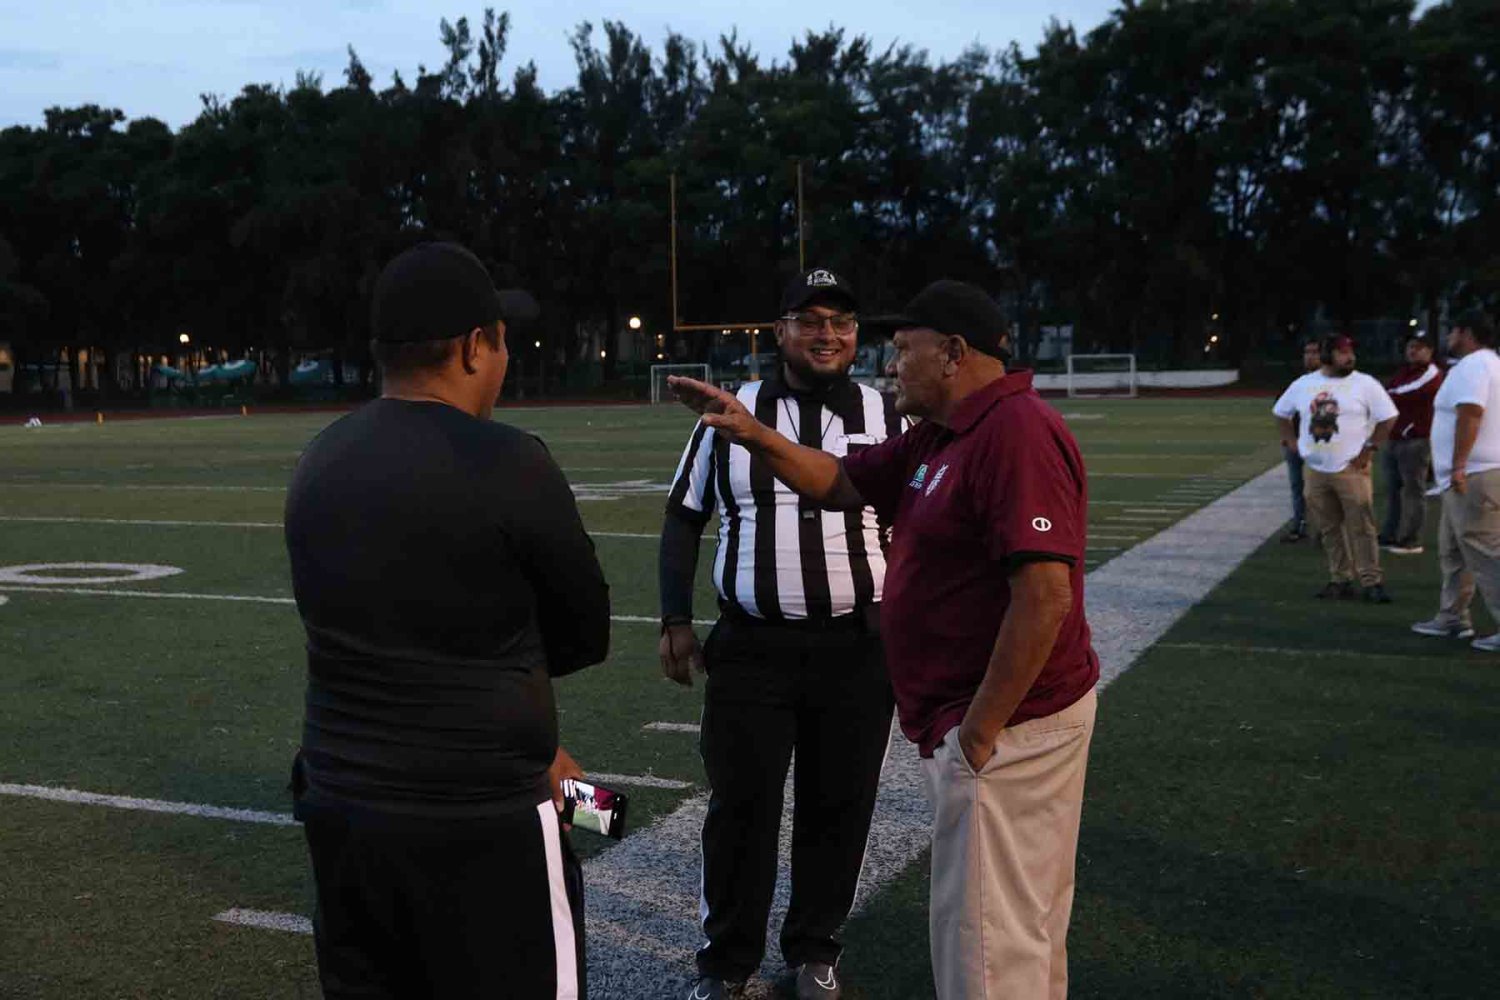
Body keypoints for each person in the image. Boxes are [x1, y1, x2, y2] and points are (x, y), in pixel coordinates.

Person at [669, 279, 1099, 1000]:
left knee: (988, 942)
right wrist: (753, 431)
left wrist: (979, 730)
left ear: (953, 353)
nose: (891, 364)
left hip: (1006, 725)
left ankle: (813, 949)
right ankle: (734, 955)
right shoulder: (942, 433)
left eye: (904, 349)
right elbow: (839, 482)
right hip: (934, 704)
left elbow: (1045, 597)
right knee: (1012, 929)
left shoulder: (1014, 432)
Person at [284, 242, 611, 999]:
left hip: (341, 808)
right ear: (472, 348)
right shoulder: (511, 458)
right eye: (501, 342)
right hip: (486, 815)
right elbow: (584, 634)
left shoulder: (318, 458)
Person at [661, 268, 899, 1000]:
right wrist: (674, 619)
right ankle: (726, 961)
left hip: (856, 648)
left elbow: (918, 517)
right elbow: (684, 515)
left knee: (841, 806)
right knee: (741, 810)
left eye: (842, 322)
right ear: (781, 331)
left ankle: (815, 949)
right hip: (752, 647)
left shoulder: (886, 413)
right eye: (811, 320)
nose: (828, 334)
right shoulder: (734, 410)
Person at [1273, 334, 1399, 603]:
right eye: (1342, 352)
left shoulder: (1365, 383)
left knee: (1362, 527)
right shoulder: (1304, 384)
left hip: (1351, 468)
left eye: (1350, 351)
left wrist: (1370, 448)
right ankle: (1340, 578)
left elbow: (1389, 417)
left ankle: (1371, 581)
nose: (1349, 357)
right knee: (1329, 528)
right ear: (1326, 355)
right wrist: (1291, 442)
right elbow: (1280, 412)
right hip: (1315, 468)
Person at [1411, 310, 1500, 650]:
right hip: (1471, 474)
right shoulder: (1490, 364)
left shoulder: (1474, 366)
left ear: (1466, 333)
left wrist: (1459, 464)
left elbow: (1470, 412)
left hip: (1474, 474)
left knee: (1485, 551)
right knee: (1453, 551)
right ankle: (1452, 616)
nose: (1448, 337)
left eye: (1453, 331)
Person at [1380, 332, 1443, 554]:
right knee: (1393, 490)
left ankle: (1411, 539)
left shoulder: (1432, 373)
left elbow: (1405, 392)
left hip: (1416, 439)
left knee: (1414, 491)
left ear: (1430, 351)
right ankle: (1390, 533)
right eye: (1410, 346)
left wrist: (1385, 395)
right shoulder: (1403, 372)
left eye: (1419, 347)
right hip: (1396, 437)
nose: (1413, 351)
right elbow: (1392, 392)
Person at [1281, 339, 1324, 542]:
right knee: (1297, 488)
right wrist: (1288, 439)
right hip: (1296, 444)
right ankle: (1300, 526)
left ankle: (1323, 529)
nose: (1310, 356)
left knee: (1320, 489)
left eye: (1315, 352)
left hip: (1320, 444)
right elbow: (1282, 412)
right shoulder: (1297, 382)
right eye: (1307, 352)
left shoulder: (1331, 383)